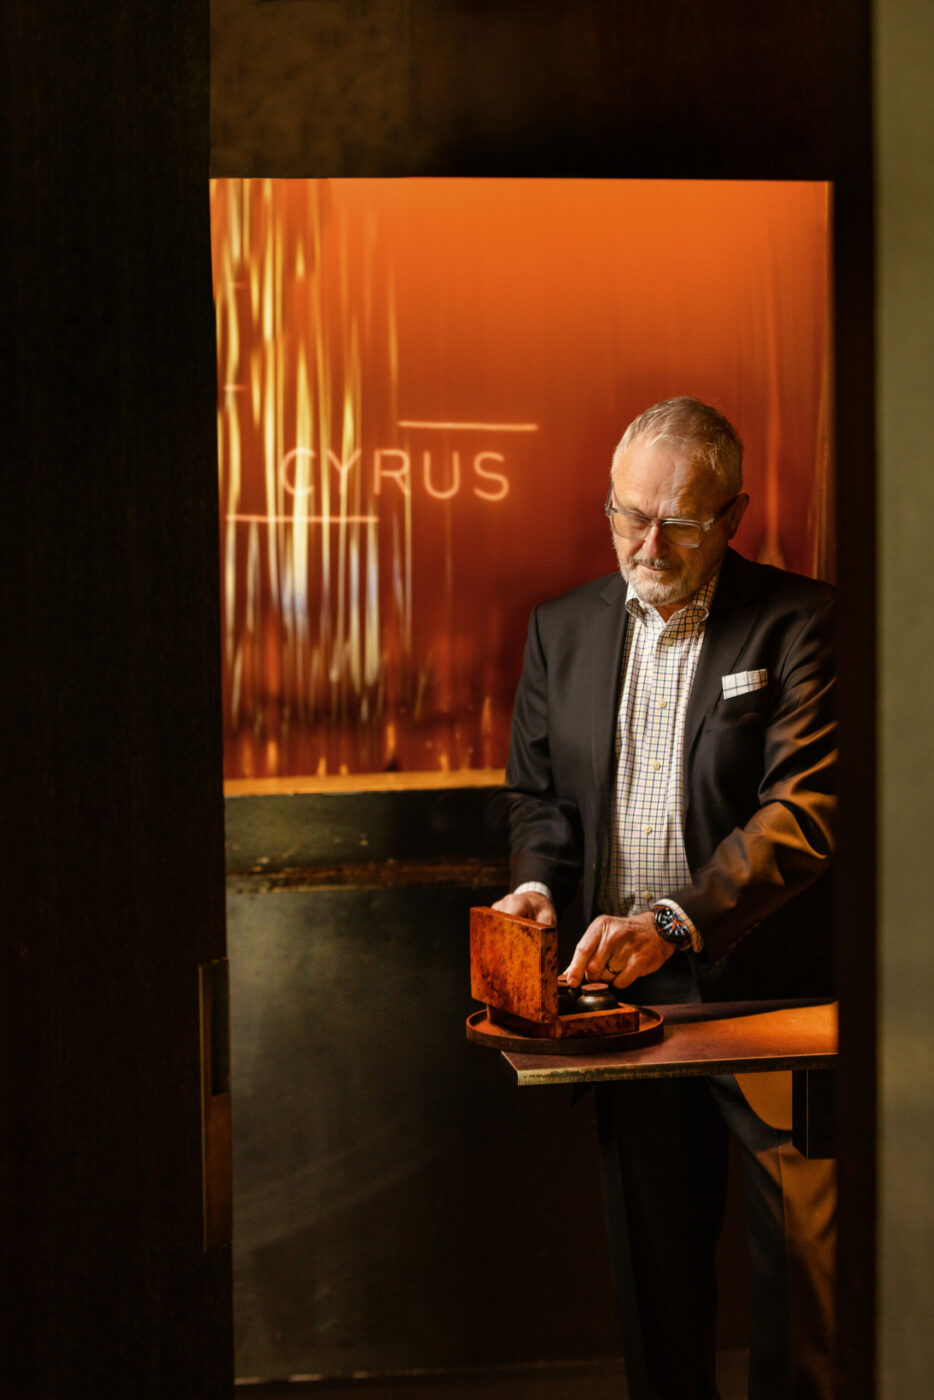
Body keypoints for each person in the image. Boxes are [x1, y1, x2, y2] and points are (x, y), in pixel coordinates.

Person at [492, 397, 836, 1400]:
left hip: (767, 1000)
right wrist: (531, 886)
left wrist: (669, 923)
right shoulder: (560, 629)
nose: (645, 542)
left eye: (677, 521)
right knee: (654, 1286)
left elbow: (802, 813)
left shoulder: (806, 621)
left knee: (801, 1296)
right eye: (626, 513)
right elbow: (540, 797)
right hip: (623, 1006)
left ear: (731, 514)